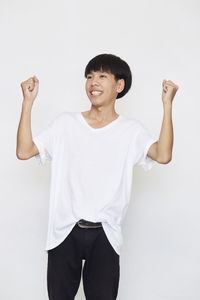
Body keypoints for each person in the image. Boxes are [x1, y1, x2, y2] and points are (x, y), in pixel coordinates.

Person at [16, 53, 179, 300]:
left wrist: (167, 105)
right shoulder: (65, 124)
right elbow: (24, 150)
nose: (94, 82)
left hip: (105, 233)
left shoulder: (130, 131)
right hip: (64, 231)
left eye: (103, 76)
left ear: (119, 85)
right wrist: (27, 102)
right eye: (90, 76)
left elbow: (163, 154)